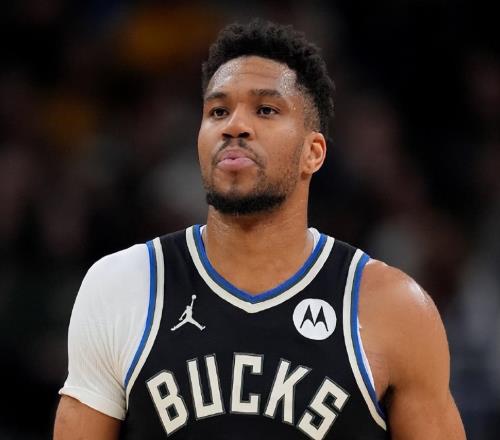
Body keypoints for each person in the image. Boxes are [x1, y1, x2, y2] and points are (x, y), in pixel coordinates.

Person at [53, 20, 466, 439]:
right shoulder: (124, 285)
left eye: (266, 109)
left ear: (313, 152)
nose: (234, 125)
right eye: (218, 111)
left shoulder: (394, 308)